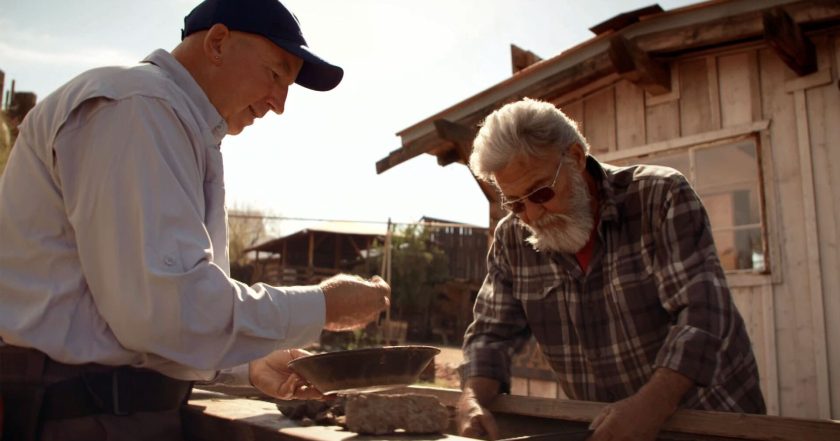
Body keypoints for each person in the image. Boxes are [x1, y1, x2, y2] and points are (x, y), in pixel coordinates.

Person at [0, 0, 389, 440]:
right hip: (85, 417)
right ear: (218, 43)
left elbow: (136, 317)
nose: (279, 104)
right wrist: (324, 306)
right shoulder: (139, 108)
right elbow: (165, 311)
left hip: (96, 408)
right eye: (276, 74)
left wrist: (247, 364)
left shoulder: (166, 117)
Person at [455, 98, 766, 441]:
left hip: (710, 419)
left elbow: (702, 316)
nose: (532, 215)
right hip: (607, 428)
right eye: (515, 203)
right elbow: (490, 335)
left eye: (541, 193)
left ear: (574, 158)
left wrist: (651, 406)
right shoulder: (512, 239)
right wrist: (472, 400)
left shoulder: (658, 197)